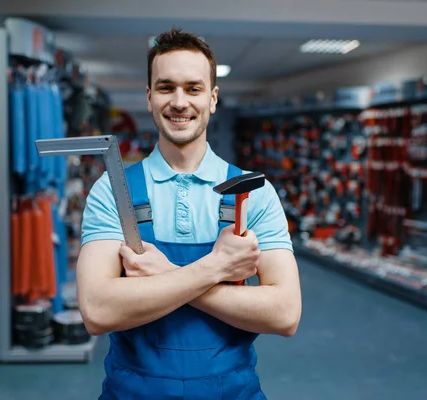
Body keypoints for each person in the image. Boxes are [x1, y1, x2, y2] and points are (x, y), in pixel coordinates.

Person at [78, 27, 302, 399]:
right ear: (149, 98)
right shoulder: (113, 190)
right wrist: (215, 269)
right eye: (166, 88)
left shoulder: (253, 193)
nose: (179, 101)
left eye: (193, 88)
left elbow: (285, 313)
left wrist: (164, 275)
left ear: (212, 98)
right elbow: (98, 311)